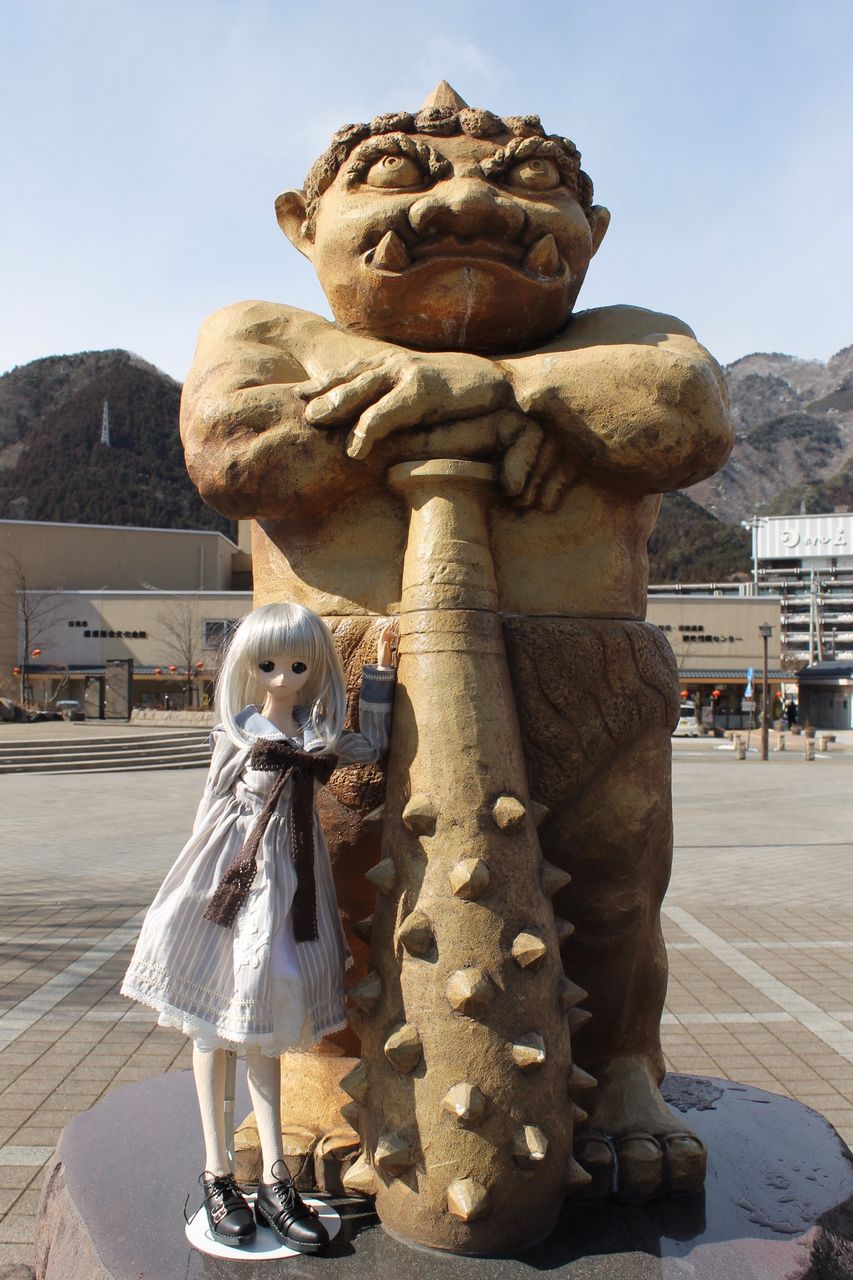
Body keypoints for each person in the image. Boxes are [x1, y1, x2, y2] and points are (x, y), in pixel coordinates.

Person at [121, 603, 396, 1252]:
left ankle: (275, 1180)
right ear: (249, 665)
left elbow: (372, 748)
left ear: (314, 667)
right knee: (211, 1029)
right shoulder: (238, 732)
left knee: (265, 1027)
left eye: (297, 665)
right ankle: (217, 1174)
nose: (282, 676)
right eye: (269, 663)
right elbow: (209, 809)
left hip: (291, 885)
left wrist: (379, 681)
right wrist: (196, 895)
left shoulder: (316, 733)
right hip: (232, 880)